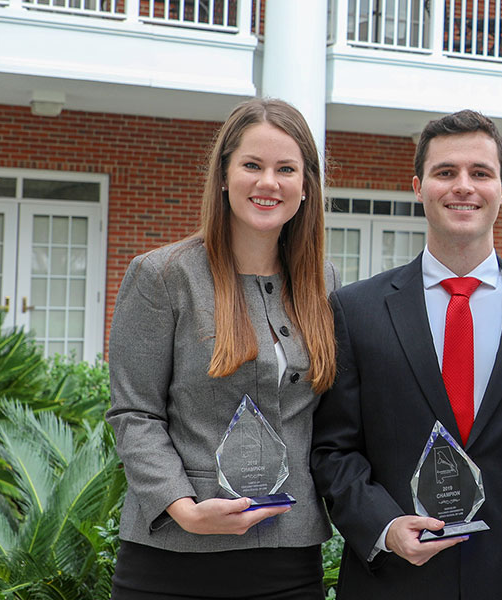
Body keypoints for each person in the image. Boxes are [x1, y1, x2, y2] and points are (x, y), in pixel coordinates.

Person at [310, 109, 502, 599]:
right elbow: (333, 449)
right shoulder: (355, 310)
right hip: (392, 578)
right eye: (445, 172)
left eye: (479, 173)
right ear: (418, 186)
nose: (463, 186)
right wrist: (385, 526)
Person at [105, 98, 338, 599]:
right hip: (174, 556)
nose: (268, 182)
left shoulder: (323, 283)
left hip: (289, 560)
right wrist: (183, 508)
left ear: (305, 186)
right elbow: (134, 412)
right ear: (225, 176)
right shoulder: (163, 276)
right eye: (252, 165)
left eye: (286, 169)